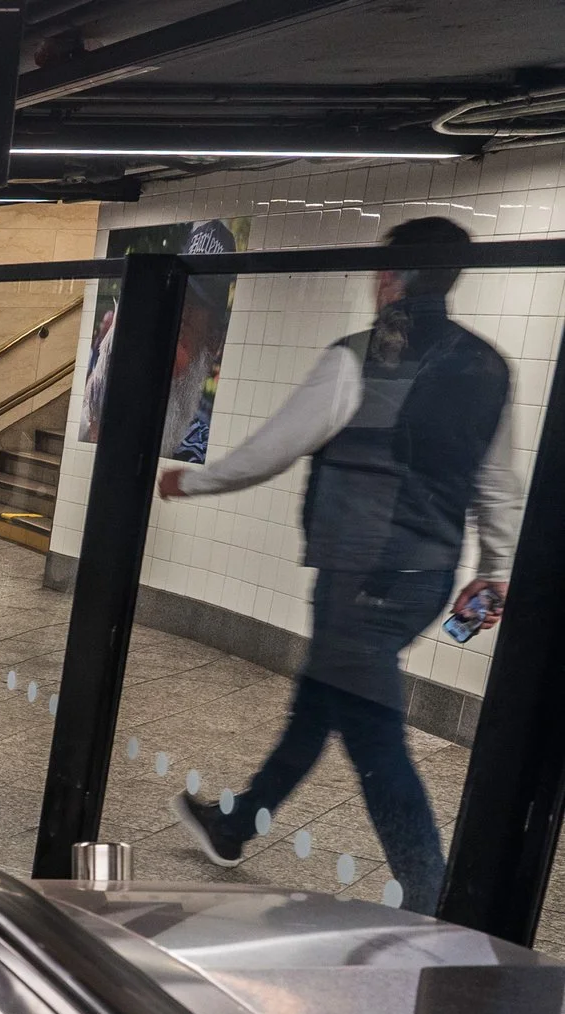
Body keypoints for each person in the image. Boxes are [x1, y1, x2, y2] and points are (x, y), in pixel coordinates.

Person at [165, 217, 521, 911]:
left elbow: (273, 448)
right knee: (316, 707)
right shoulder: (488, 365)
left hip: (361, 575)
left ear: (393, 277)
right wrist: (494, 565)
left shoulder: (359, 357)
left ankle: (433, 896)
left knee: (373, 737)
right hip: (427, 576)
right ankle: (233, 827)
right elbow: (496, 483)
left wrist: (193, 479)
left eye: (377, 270)